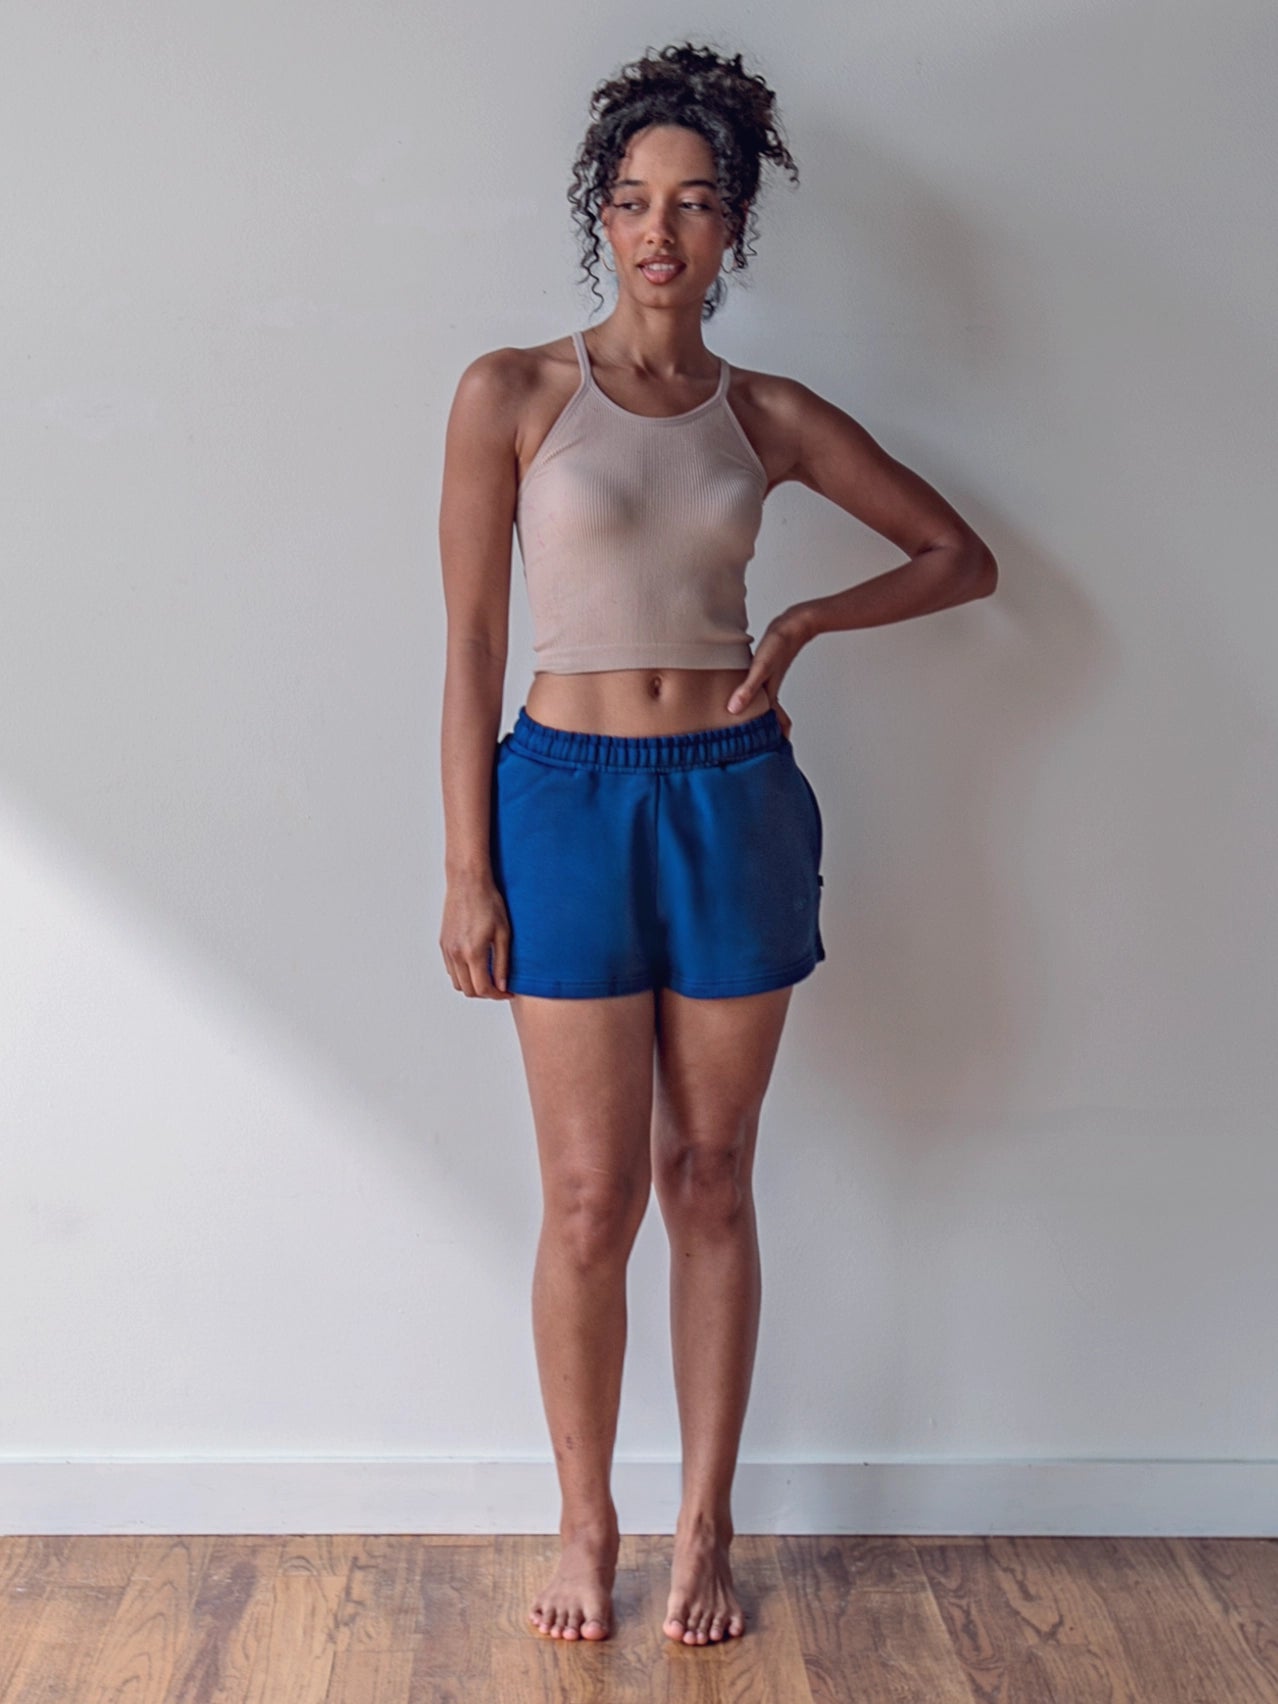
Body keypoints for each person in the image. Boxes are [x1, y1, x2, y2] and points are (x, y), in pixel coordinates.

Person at [438, 41, 997, 1648]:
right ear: (597, 219)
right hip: (557, 798)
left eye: (690, 204)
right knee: (584, 1190)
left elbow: (955, 557)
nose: (657, 231)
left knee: (708, 1176)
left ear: (732, 228)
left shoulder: (767, 413)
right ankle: (583, 1521)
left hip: (734, 794)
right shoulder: (510, 394)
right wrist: (468, 865)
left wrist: (811, 617)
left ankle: (700, 1531)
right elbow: (472, 641)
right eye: (629, 202)